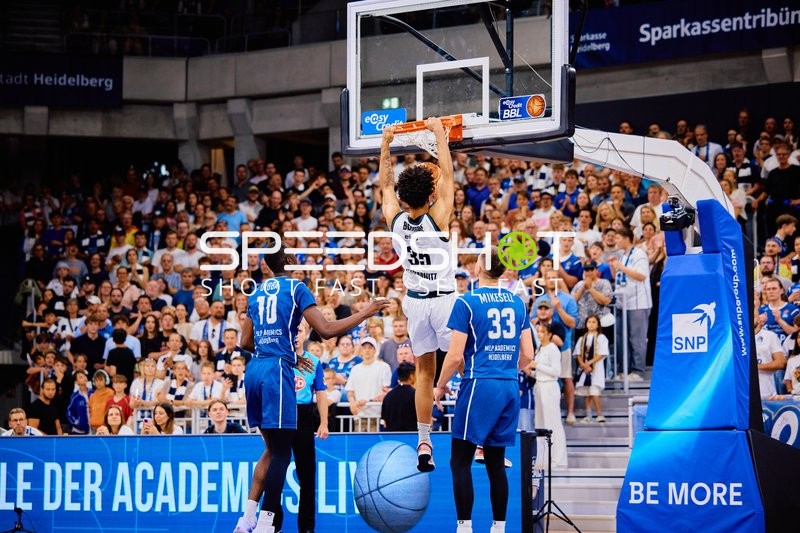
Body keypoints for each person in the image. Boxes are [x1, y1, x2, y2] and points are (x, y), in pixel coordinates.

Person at [234, 247, 388, 533]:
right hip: (276, 372)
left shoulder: (256, 293)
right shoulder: (296, 287)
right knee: (281, 454)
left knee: (270, 449)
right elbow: (327, 330)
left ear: (266, 266)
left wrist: (280, 353)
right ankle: (267, 524)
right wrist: (366, 312)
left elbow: (244, 341)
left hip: (254, 370)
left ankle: (247, 518)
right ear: (290, 262)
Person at [434, 246, 533, 533]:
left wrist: (440, 386)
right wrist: (504, 369)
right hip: (510, 386)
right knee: (495, 461)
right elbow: (528, 355)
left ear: (479, 268)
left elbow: (454, 357)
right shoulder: (517, 303)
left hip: (480, 383)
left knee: (460, 460)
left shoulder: (466, 302)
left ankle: (464, 527)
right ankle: (498, 527)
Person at [380, 118, 456, 472]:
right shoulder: (438, 217)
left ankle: (424, 440)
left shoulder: (393, 219)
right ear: (430, 196)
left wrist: (387, 144)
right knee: (468, 364)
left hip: (415, 302)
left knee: (424, 373)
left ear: (399, 197)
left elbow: (384, 183)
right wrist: (440, 135)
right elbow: (450, 178)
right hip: (443, 300)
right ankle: (480, 437)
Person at [273, 321, 329, 533]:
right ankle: (273, 524)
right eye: (293, 331)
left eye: (300, 331)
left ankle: (306, 528)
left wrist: (323, 422)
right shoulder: (279, 359)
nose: (296, 335)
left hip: (304, 416)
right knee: (276, 472)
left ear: (306, 335)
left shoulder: (314, 362)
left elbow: (321, 393)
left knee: (307, 475)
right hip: (280, 416)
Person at [609, 227, 652, 381]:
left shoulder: (639, 254)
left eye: (618, 238)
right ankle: (623, 370)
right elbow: (619, 278)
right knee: (621, 338)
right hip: (623, 303)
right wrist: (613, 268)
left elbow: (641, 276)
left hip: (638, 303)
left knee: (637, 338)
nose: (616, 241)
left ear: (627, 238)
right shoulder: (622, 256)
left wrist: (621, 267)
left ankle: (638, 371)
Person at [530, 323, 568, 469]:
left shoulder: (553, 348)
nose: (539, 334)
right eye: (538, 331)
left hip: (550, 387)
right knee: (540, 424)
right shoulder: (540, 349)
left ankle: (558, 459)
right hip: (539, 385)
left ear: (549, 334)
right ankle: (543, 459)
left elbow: (556, 372)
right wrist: (531, 372)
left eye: (542, 332)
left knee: (553, 423)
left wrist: (536, 365)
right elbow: (539, 370)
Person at [345, 337, 392, 432]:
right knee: (359, 445)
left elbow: (385, 390)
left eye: (370, 347)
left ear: (375, 350)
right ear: (361, 350)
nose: (367, 350)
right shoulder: (355, 369)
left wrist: (368, 401)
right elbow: (350, 391)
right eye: (364, 347)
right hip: (359, 415)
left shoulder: (384, 367)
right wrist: (352, 403)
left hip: (377, 415)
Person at [573, 315, 609, 423]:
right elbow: (578, 353)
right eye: (589, 322)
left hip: (596, 368)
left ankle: (599, 414)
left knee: (594, 391)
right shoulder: (582, 338)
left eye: (594, 322)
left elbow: (602, 353)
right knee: (587, 392)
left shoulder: (601, 338)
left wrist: (589, 363)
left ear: (598, 325)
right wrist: (583, 364)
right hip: (585, 369)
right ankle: (588, 415)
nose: (591, 324)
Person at [381, 362, 417, 431]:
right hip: (411, 437)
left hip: (393, 438)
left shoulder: (388, 396)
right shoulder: (416, 395)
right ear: (411, 375)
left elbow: (384, 422)